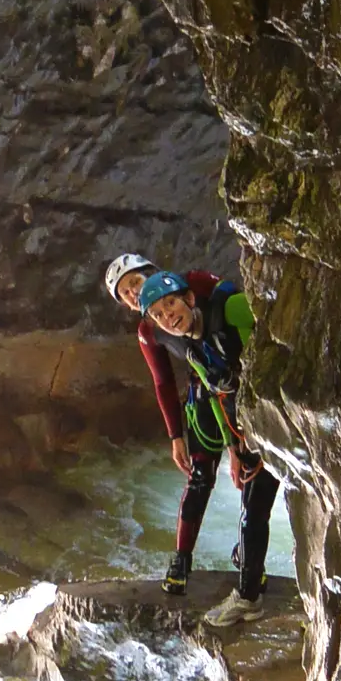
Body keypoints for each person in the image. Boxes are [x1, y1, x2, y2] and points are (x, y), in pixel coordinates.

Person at [103, 254, 280, 627]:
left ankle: (250, 580)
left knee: (257, 498)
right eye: (128, 295)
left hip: (260, 401)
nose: (135, 295)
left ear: (186, 296)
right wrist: (191, 439)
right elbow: (166, 382)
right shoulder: (158, 332)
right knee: (216, 481)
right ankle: (196, 564)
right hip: (220, 390)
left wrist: (255, 424)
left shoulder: (214, 297)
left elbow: (264, 353)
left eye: (135, 284)